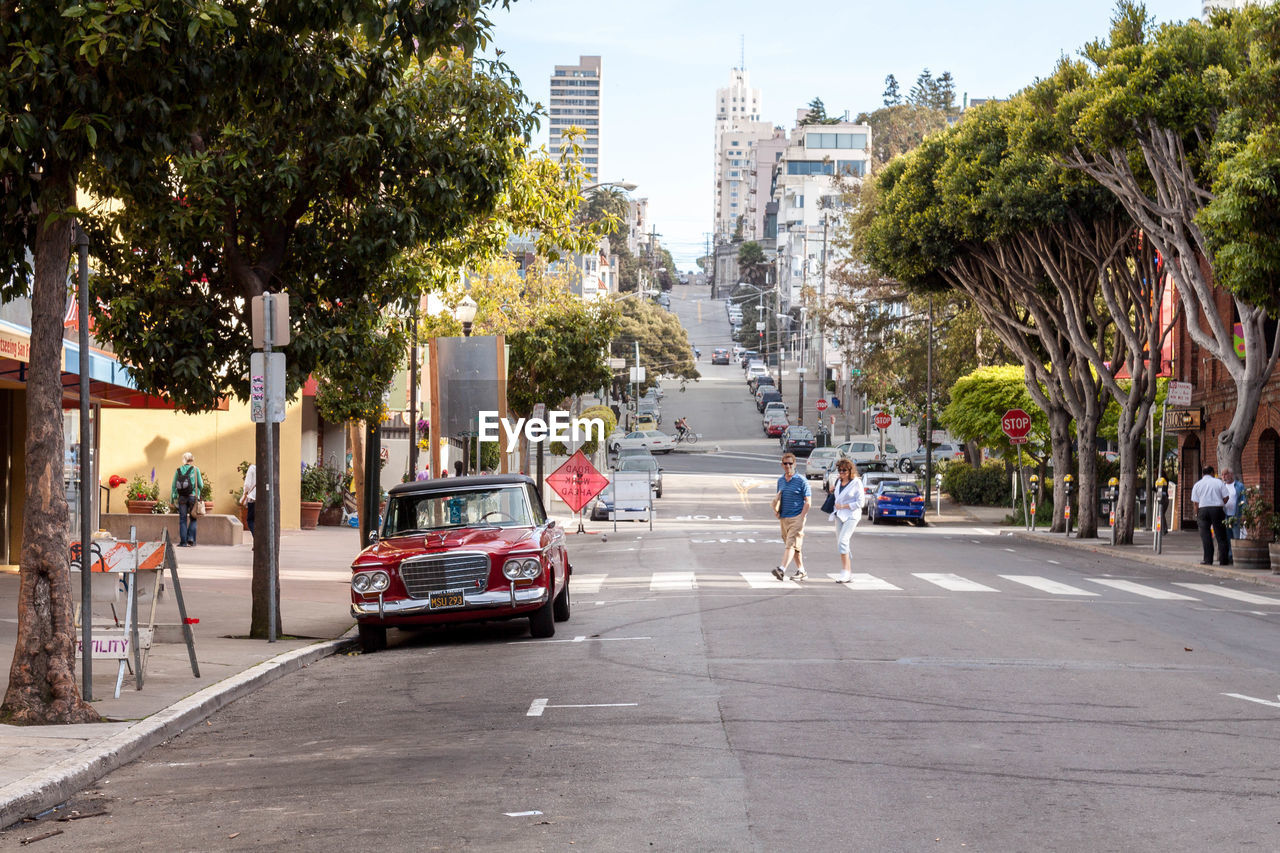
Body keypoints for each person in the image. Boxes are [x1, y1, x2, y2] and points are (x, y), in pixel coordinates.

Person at [771, 452, 811, 581]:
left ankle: (781, 569)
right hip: (784, 517)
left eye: (790, 463)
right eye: (785, 463)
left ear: (795, 464)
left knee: (790, 544)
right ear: (782, 465)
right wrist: (777, 510)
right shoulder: (781, 480)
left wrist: (801, 517)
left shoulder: (801, 481)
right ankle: (802, 570)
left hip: (797, 517)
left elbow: (808, 501)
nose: (788, 466)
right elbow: (780, 497)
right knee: (794, 547)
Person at [830, 459, 865, 583]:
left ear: (850, 470)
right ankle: (848, 572)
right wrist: (833, 490)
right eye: (839, 470)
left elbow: (861, 503)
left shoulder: (856, 483)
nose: (841, 472)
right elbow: (838, 498)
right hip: (839, 515)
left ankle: (845, 571)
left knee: (843, 541)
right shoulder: (839, 482)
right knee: (841, 543)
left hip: (851, 515)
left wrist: (845, 506)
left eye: (844, 470)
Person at [1190, 465, 1231, 566]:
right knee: (1221, 535)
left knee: (1206, 536)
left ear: (1203, 474)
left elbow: (1195, 503)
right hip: (1217, 509)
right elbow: (1226, 497)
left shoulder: (1197, 484)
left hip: (1203, 509)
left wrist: (1197, 513)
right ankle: (1223, 560)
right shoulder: (1218, 482)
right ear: (1212, 473)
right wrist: (1221, 503)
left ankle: (1208, 560)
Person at [171, 452, 204, 547]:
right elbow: (201, 485)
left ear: (184, 460)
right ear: (192, 459)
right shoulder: (195, 470)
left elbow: (173, 486)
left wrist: (173, 499)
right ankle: (191, 539)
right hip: (193, 497)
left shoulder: (178, 470)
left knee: (182, 520)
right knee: (193, 518)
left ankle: (183, 542)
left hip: (182, 498)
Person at [1222, 467, 1246, 559]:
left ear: (1231, 475)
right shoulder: (1222, 486)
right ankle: (1229, 555)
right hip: (1225, 515)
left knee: (1236, 536)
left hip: (1236, 515)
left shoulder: (1239, 486)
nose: (1224, 476)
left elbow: (1243, 499)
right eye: (1222, 475)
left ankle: (1236, 555)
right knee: (1227, 537)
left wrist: (1243, 513)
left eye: (1226, 474)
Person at [240, 462, 257, 535]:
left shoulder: (252, 468)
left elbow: (247, 484)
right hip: (265, 499)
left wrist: (245, 493)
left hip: (253, 497)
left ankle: (257, 538)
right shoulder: (269, 469)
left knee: (250, 520)